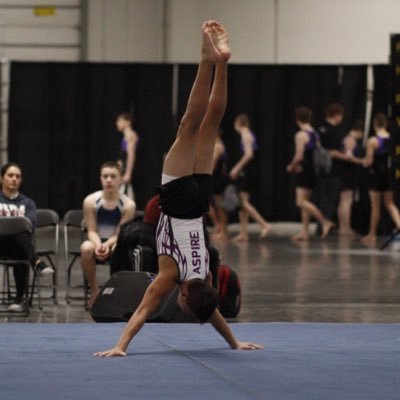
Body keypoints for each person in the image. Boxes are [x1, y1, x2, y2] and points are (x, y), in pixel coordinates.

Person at [94, 21, 263, 357]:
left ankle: (222, 63)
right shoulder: (171, 276)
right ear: (184, 296)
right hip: (177, 201)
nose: (180, 306)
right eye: (183, 306)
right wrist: (120, 346)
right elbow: (142, 311)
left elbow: (211, 311)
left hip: (201, 198)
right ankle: (205, 60)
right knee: (189, 125)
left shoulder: (206, 281)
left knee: (210, 124)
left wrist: (235, 342)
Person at [81, 161, 136, 308]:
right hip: (96, 240)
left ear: (120, 179)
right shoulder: (90, 201)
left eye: (113, 176)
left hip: (115, 241)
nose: (109, 180)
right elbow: (91, 231)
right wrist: (99, 245)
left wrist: (106, 245)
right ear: (100, 179)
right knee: (86, 248)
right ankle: (94, 290)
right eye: (105, 176)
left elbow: (120, 233)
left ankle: (116, 292)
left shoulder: (128, 205)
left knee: (119, 248)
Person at [0, 162, 53, 312]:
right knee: (19, 234)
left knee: (21, 238)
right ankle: (36, 262)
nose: (14, 179)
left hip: (18, 247)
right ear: (1, 178)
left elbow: (30, 226)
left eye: (18, 176)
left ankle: (19, 299)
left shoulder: (27, 203)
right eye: (10, 175)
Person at [287, 107, 335, 241]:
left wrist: (291, 166)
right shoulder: (314, 132)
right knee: (305, 202)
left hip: (305, 170)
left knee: (300, 202)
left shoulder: (301, 135)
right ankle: (305, 232)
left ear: (297, 120)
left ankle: (325, 222)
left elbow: (299, 156)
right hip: (314, 170)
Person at [229, 114, 271, 241]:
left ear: (238, 123)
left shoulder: (245, 135)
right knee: (243, 204)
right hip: (249, 171)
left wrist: (237, 167)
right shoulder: (249, 134)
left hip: (247, 172)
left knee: (243, 203)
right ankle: (243, 233)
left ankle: (264, 225)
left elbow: (248, 155)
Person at [361, 113, 400, 243]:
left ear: (375, 124)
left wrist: (363, 162)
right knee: (390, 203)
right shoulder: (390, 138)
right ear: (386, 124)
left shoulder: (373, 140)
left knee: (375, 206)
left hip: (376, 175)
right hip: (388, 174)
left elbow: (369, 161)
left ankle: (372, 234)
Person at [316, 103, 346, 227]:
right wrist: (347, 157)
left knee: (324, 197)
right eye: (341, 115)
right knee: (329, 198)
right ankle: (324, 224)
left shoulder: (320, 129)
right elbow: (332, 152)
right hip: (331, 169)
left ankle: (322, 224)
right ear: (336, 115)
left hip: (322, 168)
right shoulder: (332, 131)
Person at [336, 121, 365, 236]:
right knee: (347, 200)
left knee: (344, 200)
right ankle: (345, 228)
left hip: (346, 172)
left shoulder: (347, 139)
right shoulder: (350, 140)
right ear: (359, 131)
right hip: (347, 172)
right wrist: (362, 161)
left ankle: (343, 227)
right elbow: (349, 157)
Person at [209, 131, 229, 240]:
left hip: (216, 178)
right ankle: (222, 230)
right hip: (219, 178)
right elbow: (224, 166)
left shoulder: (217, 146)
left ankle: (223, 232)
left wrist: (207, 175)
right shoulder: (222, 145)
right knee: (218, 205)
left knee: (219, 206)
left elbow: (213, 163)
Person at [116, 112, 139, 199]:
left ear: (128, 122)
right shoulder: (125, 137)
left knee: (127, 196)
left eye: (119, 121)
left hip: (128, 171)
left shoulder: (131, 135)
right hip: (123, 170)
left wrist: (128, 174)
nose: (117, 124)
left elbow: (131, 155)